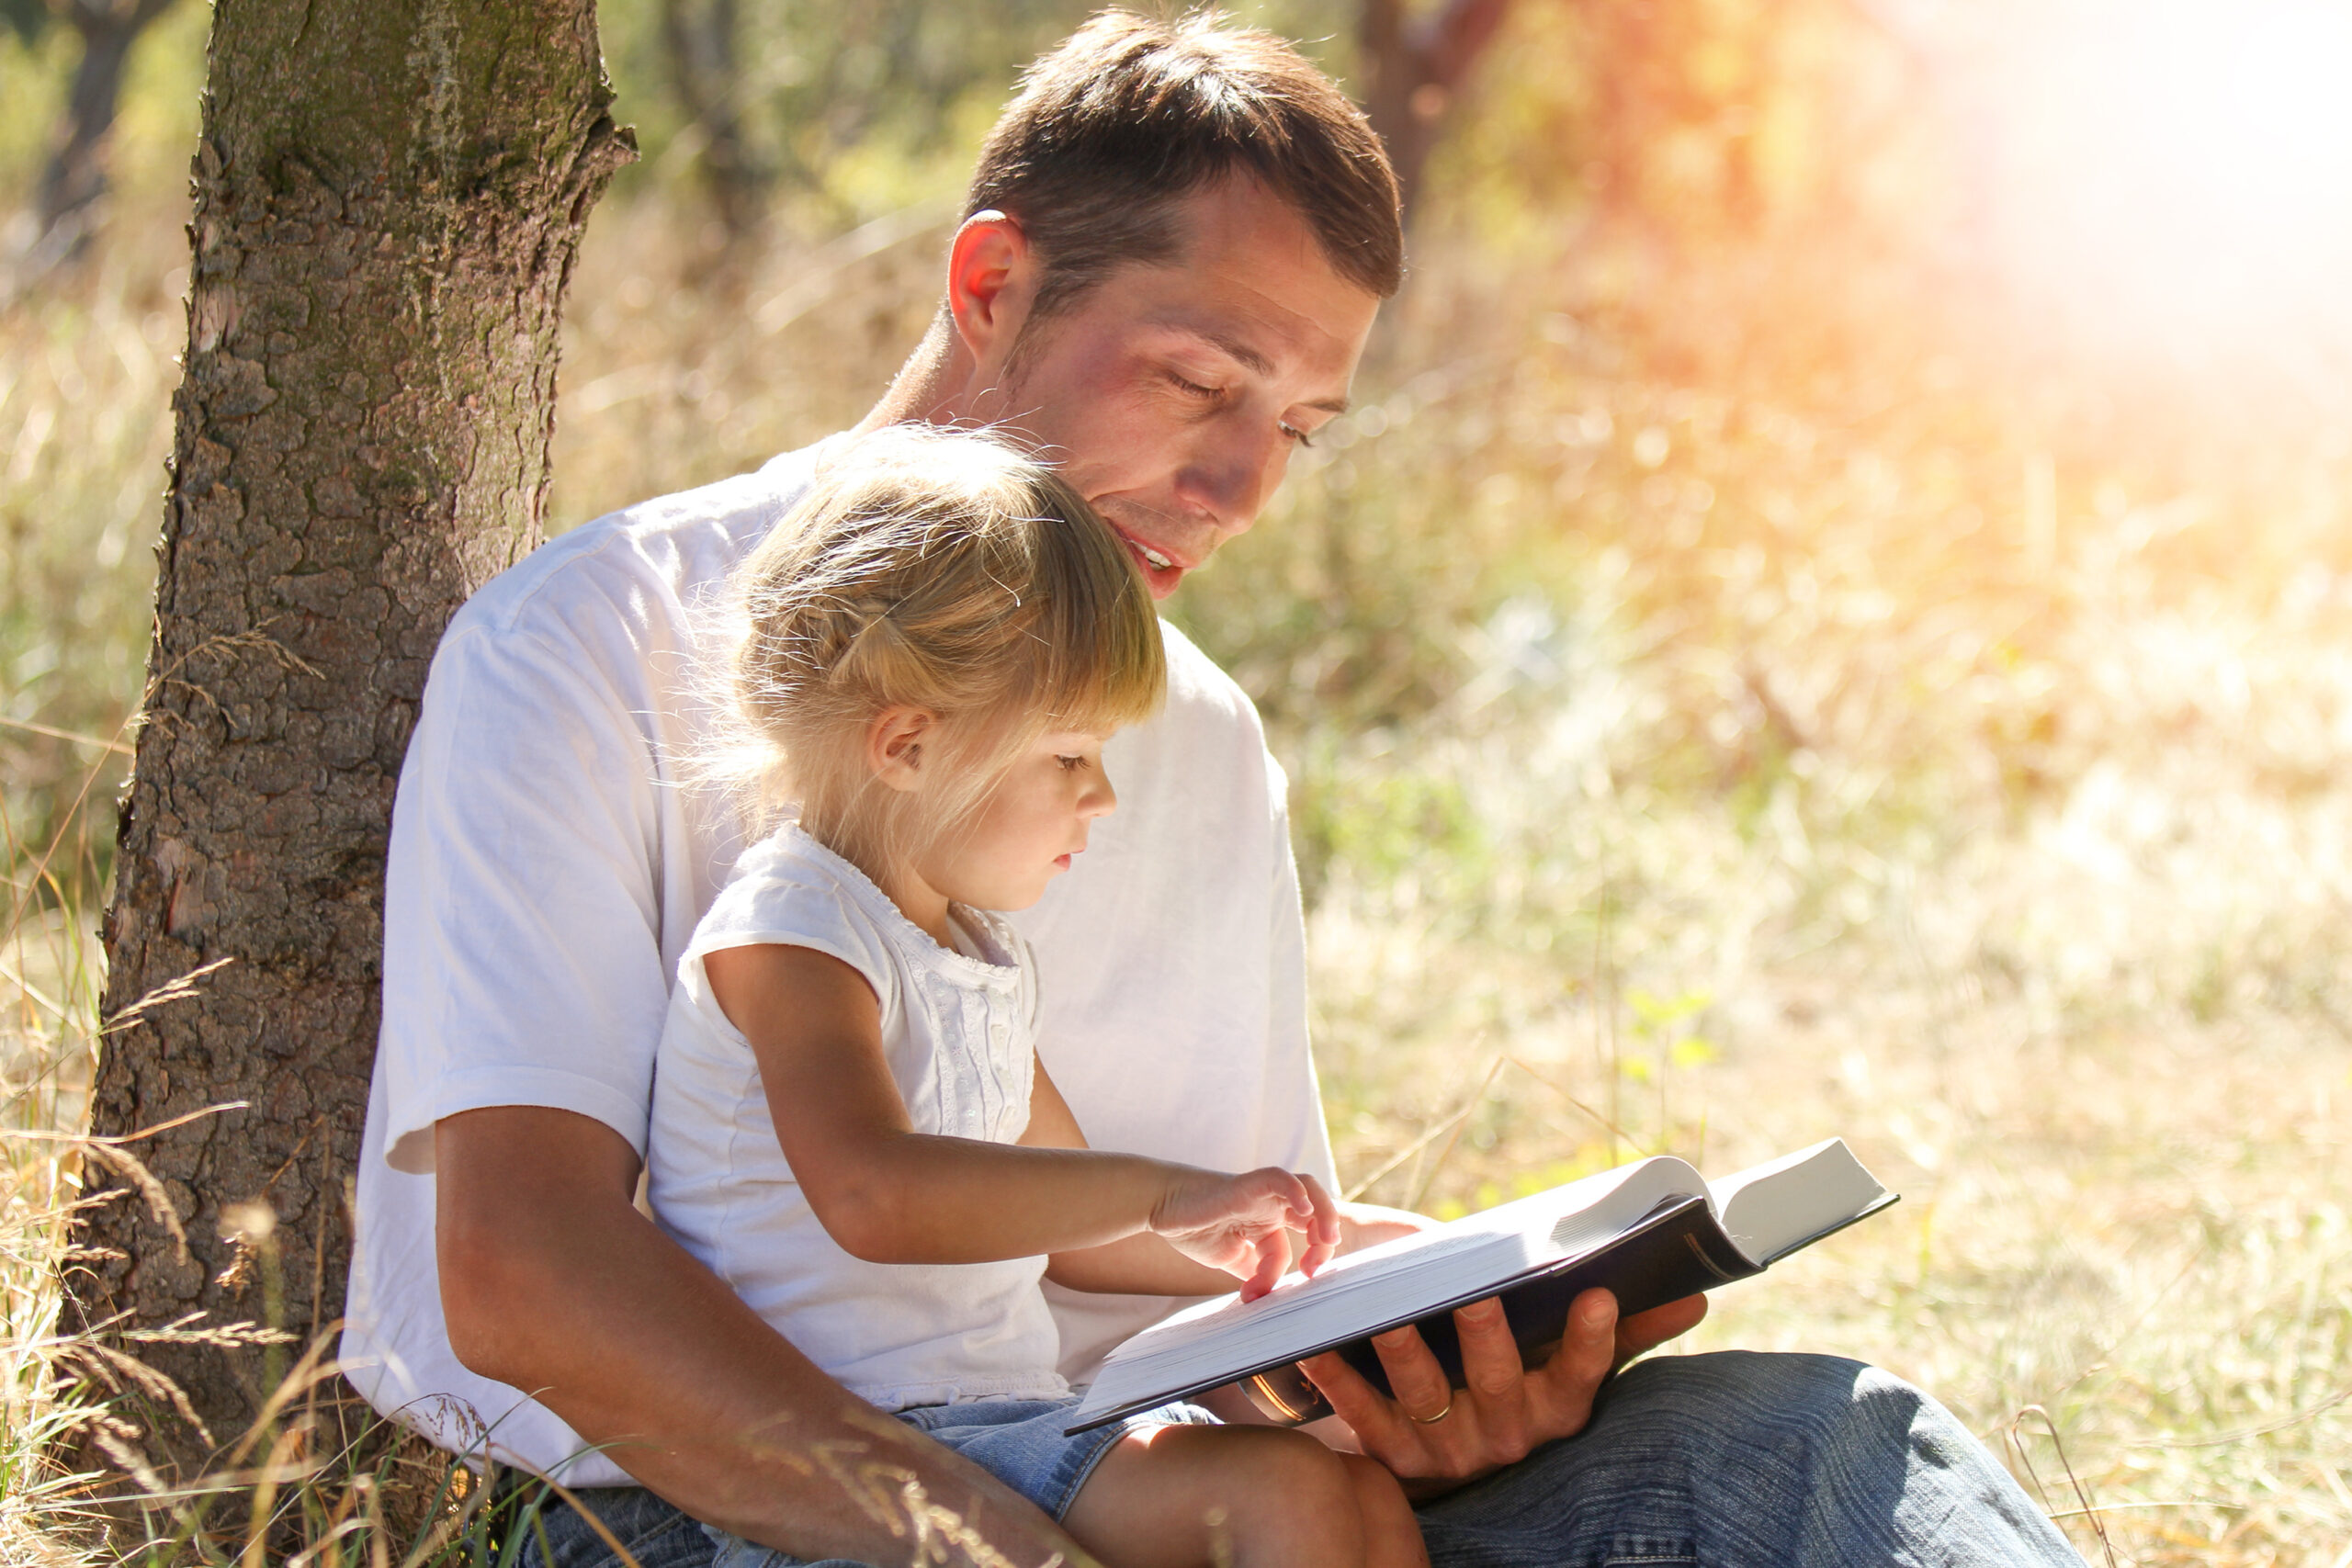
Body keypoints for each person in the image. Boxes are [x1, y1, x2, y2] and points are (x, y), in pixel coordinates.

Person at [345, 11, 2086, 1567]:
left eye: (1303, 424)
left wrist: (1449, 1353)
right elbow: (524, 1274)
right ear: (987, 288)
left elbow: (1199, 1292)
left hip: (1172, 1498)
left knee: (1813, 1452)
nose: (1246, 480)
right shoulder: (596, 641)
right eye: (1199, 379)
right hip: (727, 1513)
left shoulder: (1201, 735)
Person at [650, 424, 1422, 1568]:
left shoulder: (973, 952)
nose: (1101, 798)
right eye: (1068, 755)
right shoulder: (796, 933)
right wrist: (1167, 1190)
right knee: (1283, 1503)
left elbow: (1078, 1232)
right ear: (907, 745)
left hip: (996, 1424)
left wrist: (1343, 1249)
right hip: (853, 1459)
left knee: (1347, 1496)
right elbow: (874, 1197)